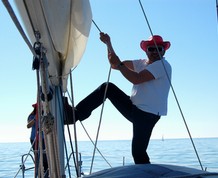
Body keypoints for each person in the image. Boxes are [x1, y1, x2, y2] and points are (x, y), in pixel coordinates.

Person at [65, 33, 172, 164]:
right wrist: (108, 43)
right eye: (151, 48)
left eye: (159, 48)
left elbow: (136, 79)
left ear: (164, 50)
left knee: (138, 152)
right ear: (146, 50)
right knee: (107, 88)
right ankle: (74, 115)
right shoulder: (141, 63)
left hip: (147, 115)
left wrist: (120, 65)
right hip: (135, 108)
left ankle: (147, 172)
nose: (155, 51)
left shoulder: (163, 65)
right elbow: (115, 64)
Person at [27, 103, 49, 176]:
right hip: (34, 139)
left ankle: (46, 172)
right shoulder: (31, 116)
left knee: (45, 156)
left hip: (44, 139)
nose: (41, 108)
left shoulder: (45, 115)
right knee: (38, 157)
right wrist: (35, 119)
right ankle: (39, 173)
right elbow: (28, 126)